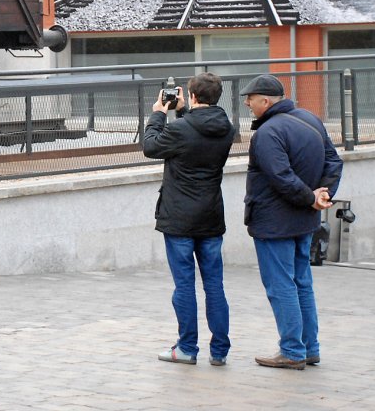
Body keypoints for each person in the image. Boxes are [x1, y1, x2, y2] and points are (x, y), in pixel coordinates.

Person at [240, 74, 343, 370]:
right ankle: (309, 348)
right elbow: (333, 161)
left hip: (275, 223)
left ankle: (292, 351)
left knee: (282, 285)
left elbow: (280, 176)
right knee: (302, 284)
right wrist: (323, 194)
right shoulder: (310, 119)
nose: (248, 103)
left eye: (251, 98)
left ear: (266, 101)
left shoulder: (268, 132)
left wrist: (313, 198)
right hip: (304, 220)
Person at [143, 72, 237, 367]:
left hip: (180, 219)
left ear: (192, 95)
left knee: (184, 285)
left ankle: (187, 348)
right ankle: (219, 351)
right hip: (210, 216)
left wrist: (159, 114)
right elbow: (199, 131)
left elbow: (151, 146)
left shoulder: (180, 129)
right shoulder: (227, 128)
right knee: (214, 285)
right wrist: (184, 111)